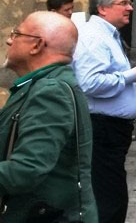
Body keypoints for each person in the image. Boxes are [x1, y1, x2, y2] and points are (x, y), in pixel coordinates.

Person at [0, 12, 98, 223]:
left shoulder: (50, 91)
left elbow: (26, 170)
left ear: (36, 45)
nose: (9, 40)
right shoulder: (40, 85)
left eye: (16, 33)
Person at [72, 0, 136, 223]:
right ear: (103, 8)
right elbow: (90, 83)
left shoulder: (108, 35)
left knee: (110, 193)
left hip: (111, 129)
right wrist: (131, 76)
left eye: (130, 2)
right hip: (102, 128)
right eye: (124, 3)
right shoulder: (94, 37)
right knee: (109, 198)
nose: (131, 8)